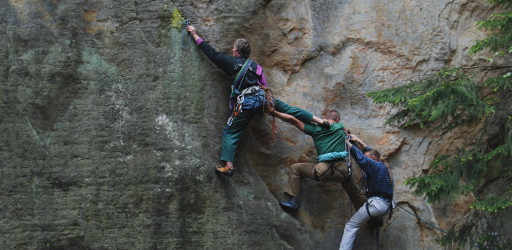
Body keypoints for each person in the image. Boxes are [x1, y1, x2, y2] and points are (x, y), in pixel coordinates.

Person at [186, 25, 328, 176]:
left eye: (234, 47)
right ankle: (320, 121)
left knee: (230, 133)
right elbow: (264, 85)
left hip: (246, 103)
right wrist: (266, 105)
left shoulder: (229, 62)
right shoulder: (256, 66)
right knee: (289, 109)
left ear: (237, 51)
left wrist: (195, 34)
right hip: (262, 97)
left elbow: (211, 53)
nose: (232, 49)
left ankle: (228, 165)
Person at [270, 109, 367, 211]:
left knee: (296, 168)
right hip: (342, 172)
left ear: (325, 119)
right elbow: (349, 137)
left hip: (322, 171)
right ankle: (372, 218)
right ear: (337, 119)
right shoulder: (342, 129)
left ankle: (294, 202)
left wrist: (274, 113)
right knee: (356, 193)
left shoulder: (316, 129)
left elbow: (292, 119)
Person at [339, 134, 394, 250]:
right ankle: (374, 221)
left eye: (368, 157)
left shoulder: (374, 166)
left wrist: (348, 144)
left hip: (377, 205)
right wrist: (358, 140)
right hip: (386, 207)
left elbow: (361, 159)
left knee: (351, 226)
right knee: (365, 207)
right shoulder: (382, 166)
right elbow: (370, 152)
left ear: (373, 158)